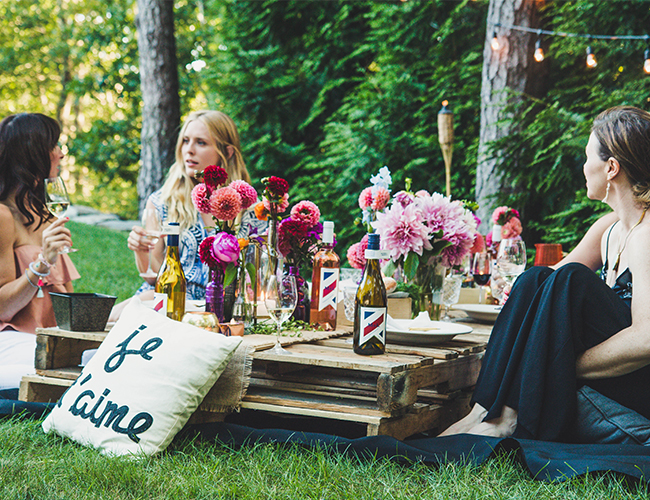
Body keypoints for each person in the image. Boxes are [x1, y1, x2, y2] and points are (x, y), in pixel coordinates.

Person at [440, 105, 650, 442]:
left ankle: (510, 420)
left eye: (587, 158)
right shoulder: (607, 228)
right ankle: (484, 411)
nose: (582, 167)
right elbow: (543, 285)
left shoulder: (647, 235)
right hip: (601, 368)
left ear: (611, 168)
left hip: (637, 382)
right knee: (535, 278)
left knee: (572, 280)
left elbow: (646, 339)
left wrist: (557, 363)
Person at [126, 110, 264, 301]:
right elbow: (154, 278)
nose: (189, 150)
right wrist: (140, 251)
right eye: (185, 140)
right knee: (113, 317)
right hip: (172, 301)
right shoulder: (162, 202)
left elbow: (262, 279)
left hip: (228, 307)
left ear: (227, 152)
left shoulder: (250, 209)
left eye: (201, 142)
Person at [0, 113, 80, 390]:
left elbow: (67, 302)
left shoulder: (45, 213)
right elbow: (2, 307)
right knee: (82, 376)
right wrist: (42, 264)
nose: (60, 154)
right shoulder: (3, 216)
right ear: (32, 153)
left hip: (50, 337)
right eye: (53, 146)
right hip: (12, 339)